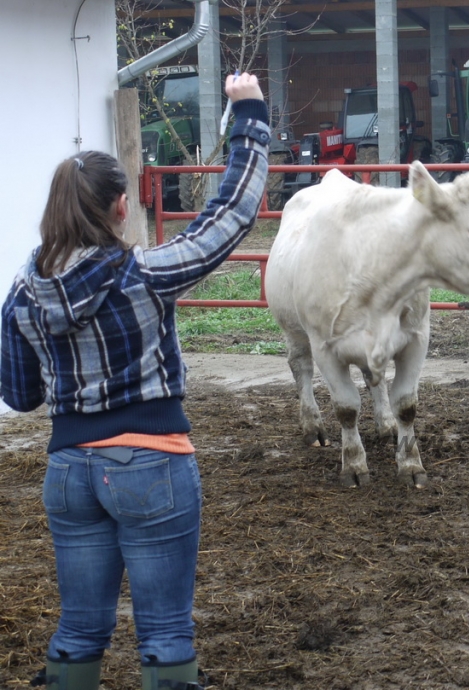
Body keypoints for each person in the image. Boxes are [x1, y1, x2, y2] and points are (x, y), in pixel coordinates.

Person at [0, 73, 269, 690]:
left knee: (78, 628)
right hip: (152, 464)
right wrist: (249, 115)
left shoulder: (22, 291)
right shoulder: (145, 274)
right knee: (167, 631)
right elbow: (229, 217)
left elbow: (21, 396)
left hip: (68, 472)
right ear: (123, 206)